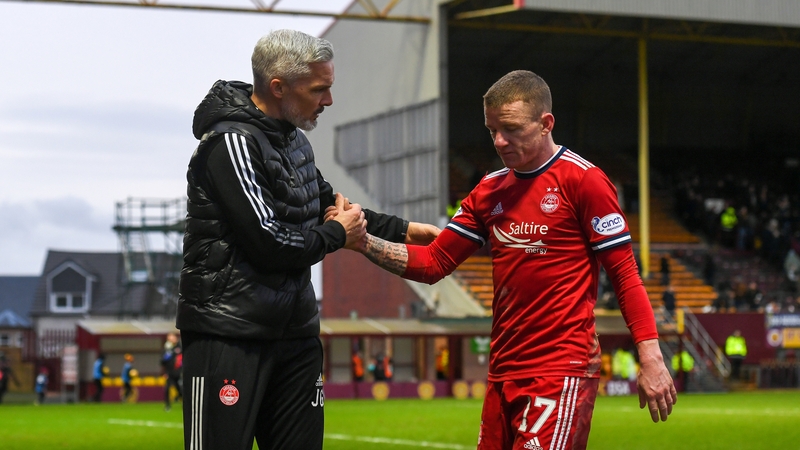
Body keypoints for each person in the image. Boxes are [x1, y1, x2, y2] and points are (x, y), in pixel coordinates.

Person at [351, 70, 676, 449]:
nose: (500, 141)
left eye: (511, 129)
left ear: (545, 123)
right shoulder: (489, 190)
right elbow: (433, 264)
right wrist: (362, 242)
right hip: (502, 373)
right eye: (492, 131)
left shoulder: (584, 181)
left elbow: (625, 275)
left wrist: (650, 356)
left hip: (560, 369)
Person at [175, 29, 439, 450]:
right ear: (279, 87)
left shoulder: (295, 141)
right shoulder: (230, 143)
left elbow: (326, 205)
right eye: (320, 89)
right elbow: (270, 242)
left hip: (295, 334)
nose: (328, 101)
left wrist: (405, 230)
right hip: (230, 335)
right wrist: (338, 234)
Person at [161, 333, 183, 411]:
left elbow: (182, 360)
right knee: (167, 389)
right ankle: (167, 405)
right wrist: (167, 353)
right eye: (169, 339)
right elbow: (162, 362)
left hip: (178, 373)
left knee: (180, 389)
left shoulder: (180, 347)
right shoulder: (167, 349)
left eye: (171, 338)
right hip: (169, 373)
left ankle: (184, 403)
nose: (170, 340)